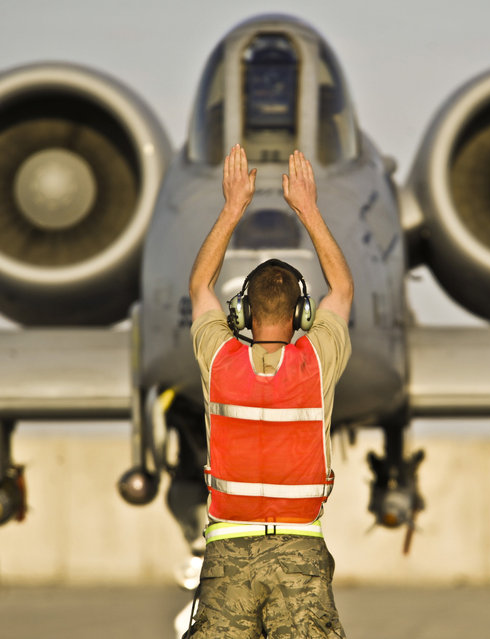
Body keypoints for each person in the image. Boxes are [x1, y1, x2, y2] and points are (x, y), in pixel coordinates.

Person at [187, 144, 353, 638]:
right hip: (301, 554)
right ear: (302, 314)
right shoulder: (315, 362)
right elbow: (342, 289)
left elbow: (200, 287)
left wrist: (232, 207)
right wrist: (308, 209)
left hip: (227, 557)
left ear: (242, 313)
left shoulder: (220, 360)